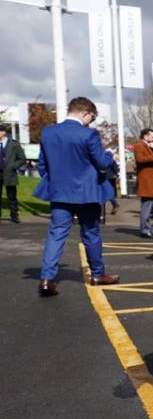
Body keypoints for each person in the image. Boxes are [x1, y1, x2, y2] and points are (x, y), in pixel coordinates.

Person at [34, 97, 121, 296]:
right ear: (85, 113)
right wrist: (109, 155)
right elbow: (101, 163)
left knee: (56, 234)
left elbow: (42, 165)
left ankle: (47, 279)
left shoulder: (48, 132)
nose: (91, 121)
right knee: (91, 234)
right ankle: (98, 274)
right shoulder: (89, 134)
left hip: (59, 192)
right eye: (92, 117)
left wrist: (55, 180)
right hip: (87, 193)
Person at [0, 124, 26, 223]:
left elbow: (22, 158)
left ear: (3, 132)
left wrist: (13, 166)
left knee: (11, 196)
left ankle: (14, 215)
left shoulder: (14, 144)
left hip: (9, 173)